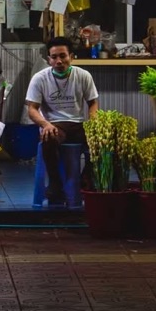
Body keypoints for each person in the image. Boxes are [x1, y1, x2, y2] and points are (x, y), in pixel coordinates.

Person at [25, 36, 99, 204]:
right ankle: (55, 184)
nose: (59, 61)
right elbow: (32, 109)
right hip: (54, 125)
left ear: (71, 57)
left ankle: (86, 179)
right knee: (48, 137)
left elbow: (93, 102)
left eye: (63, 56)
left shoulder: (83, 75)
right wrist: (45, 124)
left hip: (78, 124)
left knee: (103, 139)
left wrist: (94, 123)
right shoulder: (39, 78)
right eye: (54, 57)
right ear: (49, 60)